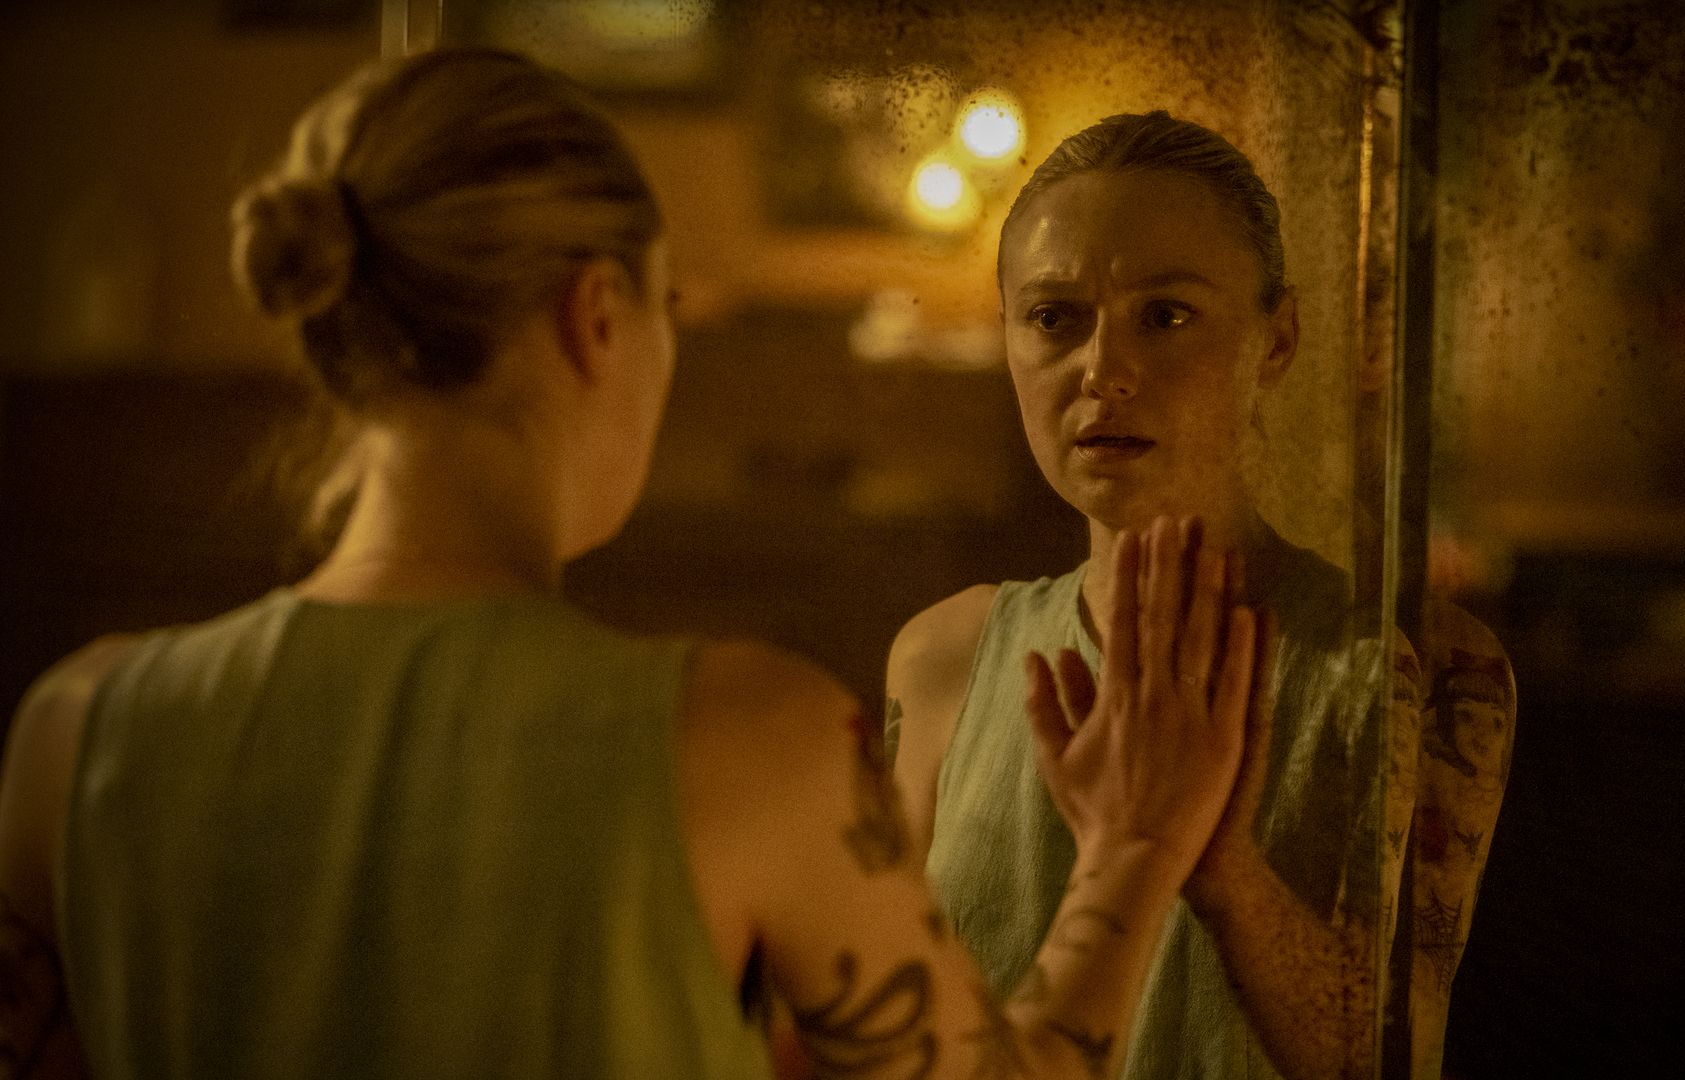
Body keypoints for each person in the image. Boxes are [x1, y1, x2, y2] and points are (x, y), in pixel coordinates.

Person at [0, 52, 1268, 1080]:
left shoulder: (74, 732)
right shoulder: (742, 737)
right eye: (668, 316)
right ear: (596, 317)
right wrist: (1135, 851)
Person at [886, 111, 1516, 1080]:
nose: (1103, 371)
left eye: (1166, 315)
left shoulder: (1411, 665)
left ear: (1277, 340)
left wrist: (1213, 863)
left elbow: (1395, 1055)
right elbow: (891, 1036)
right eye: (1055, 318)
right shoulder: (944, 658)